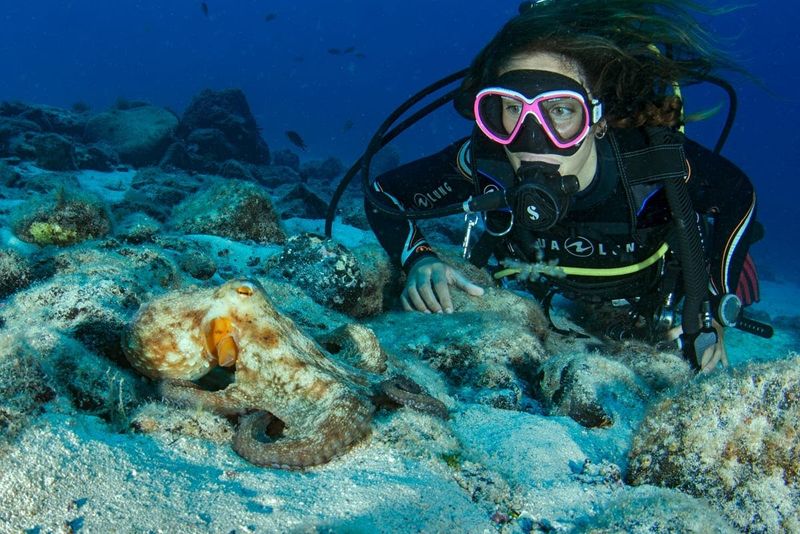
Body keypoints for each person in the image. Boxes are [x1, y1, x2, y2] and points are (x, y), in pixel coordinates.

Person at [364, 0, 762, 372]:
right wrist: (420, 259)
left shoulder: (649, 160)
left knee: (740, 275)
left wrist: (713, 299)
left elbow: (738, 196)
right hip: (545, 298)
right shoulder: (488, 160)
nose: (530, 139)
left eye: (560, 110)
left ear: (598, 117)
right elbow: (384, 195)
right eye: (513, 108)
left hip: (645, 293)